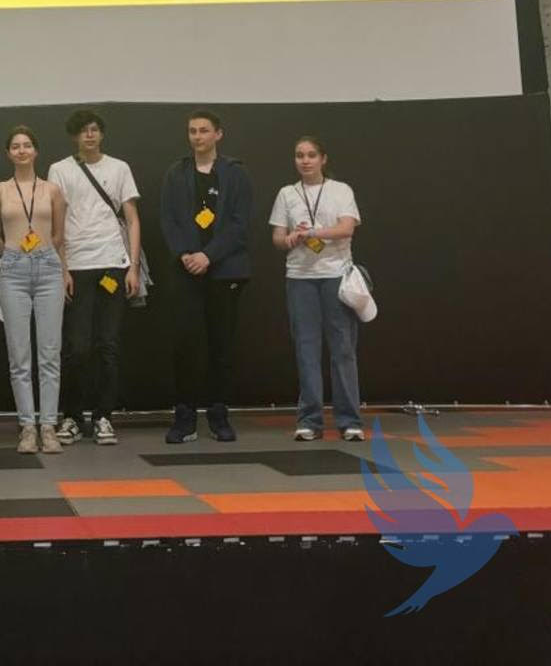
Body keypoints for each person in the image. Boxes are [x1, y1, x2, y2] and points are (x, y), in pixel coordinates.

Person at [48, 109, 141, 447]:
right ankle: (72, 417)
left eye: (94, 130)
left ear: (102, 134)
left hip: (112, 265)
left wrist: (132, 267)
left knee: (108, 345)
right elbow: (56, 223)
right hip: (76, 266)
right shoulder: (59, 170)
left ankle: (104, 417)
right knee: (76, 347)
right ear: (74, 136)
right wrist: (62, 269)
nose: (89, 135)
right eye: (83, 131)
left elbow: (132, 218)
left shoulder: (119, 168)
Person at [160, 109, 252, 444]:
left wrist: (208, 255)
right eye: (192, 131)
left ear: (218, 134)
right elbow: (168, 219)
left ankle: (218, 414)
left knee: (220, 345)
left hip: (224, 271)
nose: (197, 136)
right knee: (186, 344)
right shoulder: (176, 172)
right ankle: (184, 417)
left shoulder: (235, 173)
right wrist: (186, 254)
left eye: (203, 130)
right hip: (186, 271)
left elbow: (240, 224)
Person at [270, 135, 364, 441]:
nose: (305, 160)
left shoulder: (341, 190)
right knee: (306, 349)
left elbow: (346, 228)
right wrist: (289, 239)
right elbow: (277, 237)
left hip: (336, 275)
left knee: (342, 349)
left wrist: (313, 232)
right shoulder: (287, 193)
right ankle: (310, 420)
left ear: (323, 159)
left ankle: (349, 421)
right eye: (300, 155)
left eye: (311, 155)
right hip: (300, 277)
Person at [0, 125, 68, 454]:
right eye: (15, 146)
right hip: (14, 270)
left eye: (27, 145)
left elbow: (60, 234)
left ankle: (48, 426)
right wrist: (12, 255)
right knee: (19, 356)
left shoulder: (52, 190)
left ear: (36, 151)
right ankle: (27, 428)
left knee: (49, 354)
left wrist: (54, 261)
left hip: (48, 268)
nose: (21, 150)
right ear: (8, 153)